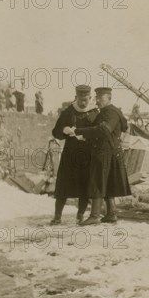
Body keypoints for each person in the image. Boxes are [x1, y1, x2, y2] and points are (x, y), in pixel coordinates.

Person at [73, 87, 132, 225]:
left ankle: (94, 216)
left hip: (105, 152)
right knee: (108, 182)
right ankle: (111, 214)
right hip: (109, 151)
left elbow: (104, 129)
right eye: (97, 97)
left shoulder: (110, 112)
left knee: (97, 181)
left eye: (101, 98)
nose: (97, 100)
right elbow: (121, 127)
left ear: (109, 98)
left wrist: (80, 131)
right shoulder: (108, 112)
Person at [50, 85, 99, 225]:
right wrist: (64, 130)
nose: (83, 103)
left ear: (90, 98)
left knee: (84, 185)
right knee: (63, 185)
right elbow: (56, 132)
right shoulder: (68, 112)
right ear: (76, 97)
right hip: (70, 154)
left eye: (86, 99)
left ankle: (80, 216)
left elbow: (100, 132)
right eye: (80, 99)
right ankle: (57, 216)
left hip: (87, 154)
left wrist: (89, 137)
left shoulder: (95, 112)